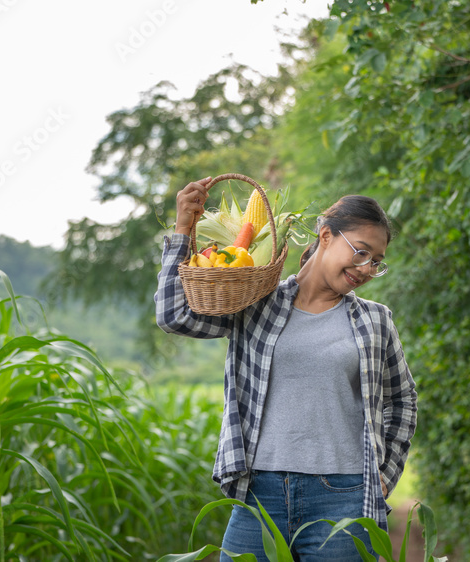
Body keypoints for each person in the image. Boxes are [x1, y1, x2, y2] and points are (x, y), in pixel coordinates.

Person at [155, 176, 417, 561]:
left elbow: (403, 399)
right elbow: (174, 316)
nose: (366, 268)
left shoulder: (375, 321)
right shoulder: (257, 303)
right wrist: (182, 231)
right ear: (326, 235)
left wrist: (385, 474)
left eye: (376, 262)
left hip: (343, 498)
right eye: (360, 253)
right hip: (260, 495)